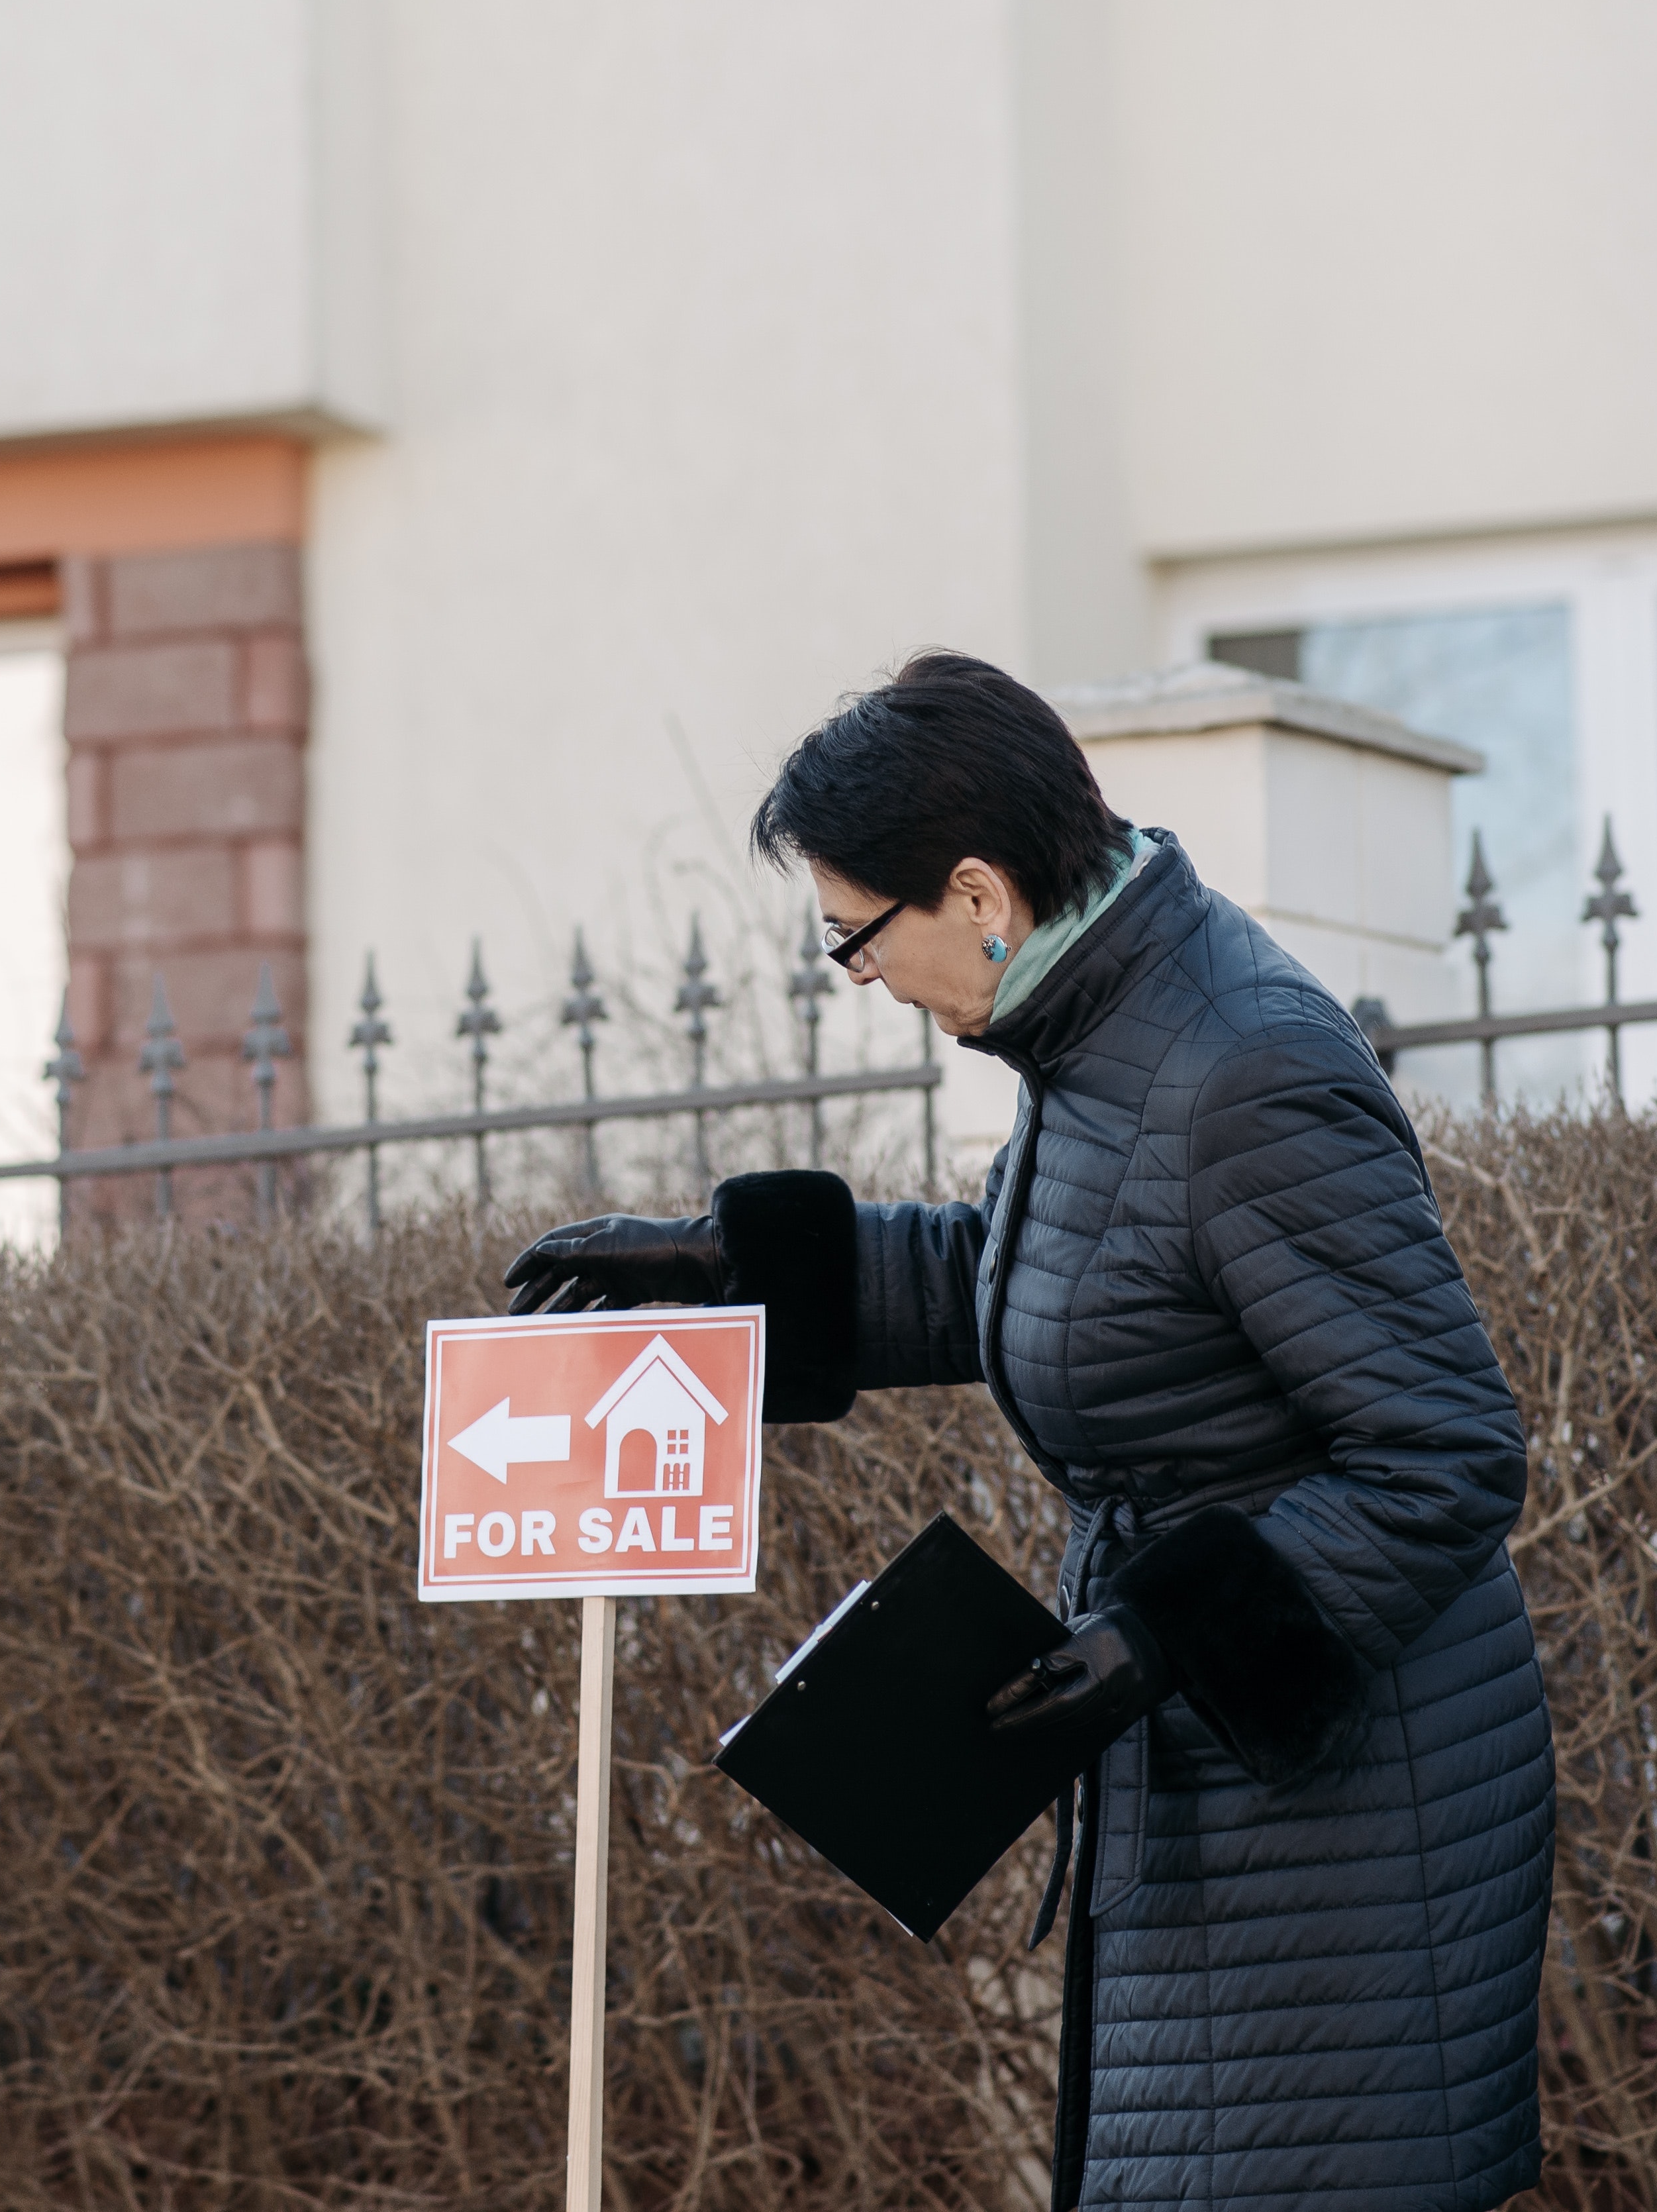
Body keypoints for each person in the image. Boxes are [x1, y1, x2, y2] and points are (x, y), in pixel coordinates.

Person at [506, 651, 1550, 2212]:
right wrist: (739, 1269)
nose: (858, 976)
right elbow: (1028, 1282)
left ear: (978, 891)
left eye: (855, 937)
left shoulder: (1238, 1064)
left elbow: (1446, 1451)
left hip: (1348, 1813)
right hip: (1221, 1772)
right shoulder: (1098, 1029)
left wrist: (1160, 1638)